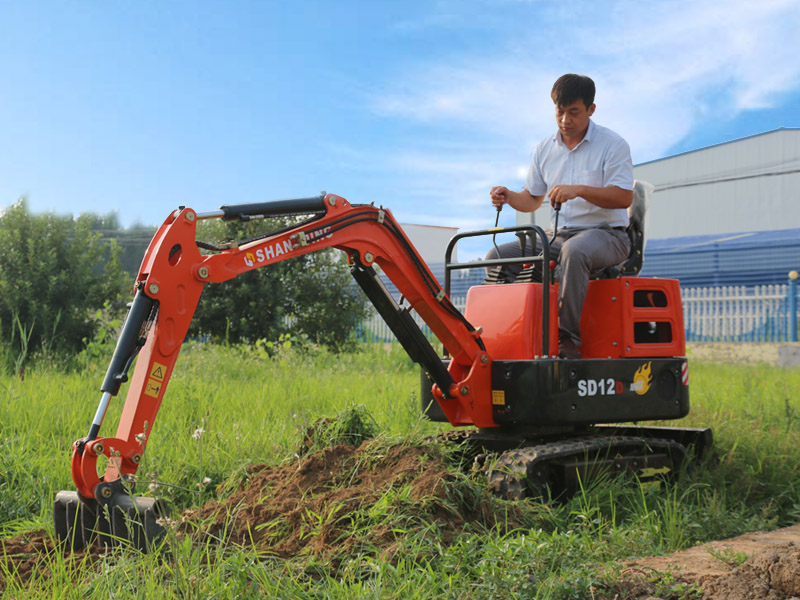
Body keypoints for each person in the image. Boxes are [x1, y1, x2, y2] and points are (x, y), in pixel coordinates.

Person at [488, 74, 633, 359]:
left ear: (591, 109)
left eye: (573, 112)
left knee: (575, 251)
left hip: (609, 235)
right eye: (559, 111)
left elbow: (623, 197)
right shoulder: (544, 149)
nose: (565, 119)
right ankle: (510, 333)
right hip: (560, 235)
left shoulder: (613, 145)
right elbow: (531, 199)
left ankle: (566, 340)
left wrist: (579, 190)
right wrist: (507, 195)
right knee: (498, 256)